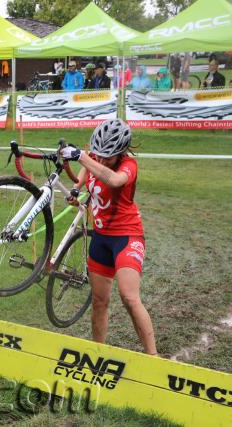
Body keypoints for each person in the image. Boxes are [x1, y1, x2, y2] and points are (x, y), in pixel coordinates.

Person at [61, 119, 157, 356]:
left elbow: (113, 180)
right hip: (101, 238)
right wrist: (77, 189)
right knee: (99, 301)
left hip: (126, 236)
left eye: (108, 157)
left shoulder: (129, 166)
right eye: (98, 155)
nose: (102, 160)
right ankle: (97, 352)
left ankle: (154, 357)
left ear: (121, 152)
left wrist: (82, 157)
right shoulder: (95, 156)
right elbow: (89, 165)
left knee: (129, 297)